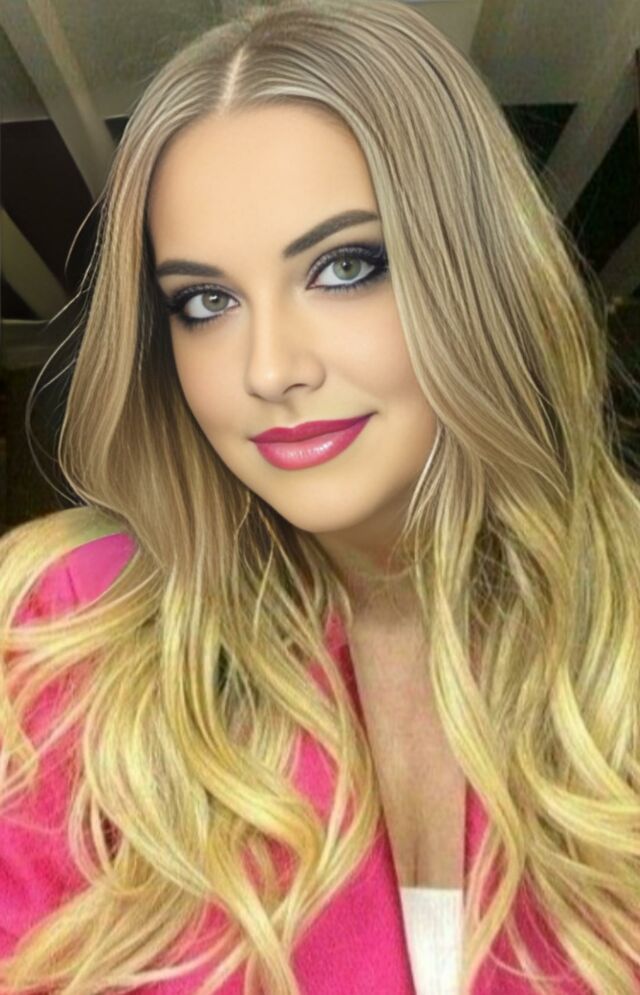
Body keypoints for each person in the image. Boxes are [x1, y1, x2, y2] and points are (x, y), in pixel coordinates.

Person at [1, 1, 639, 993]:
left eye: (346, 267)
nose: (269, 369)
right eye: (206, 301)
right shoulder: (66, 631)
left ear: (480, 275)